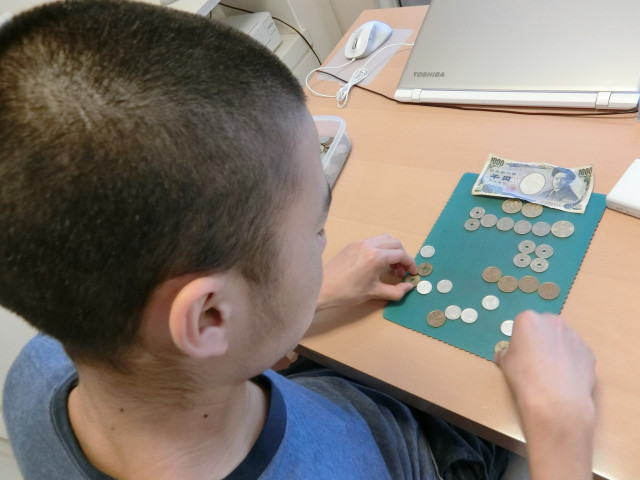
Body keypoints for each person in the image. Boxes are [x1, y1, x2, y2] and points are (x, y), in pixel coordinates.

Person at [0, 1, 595, 479]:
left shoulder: (38, 368)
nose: (325, 241)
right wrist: (559, 428)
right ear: (209, 315)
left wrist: (316, 295)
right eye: (316, 230)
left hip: (325, 405)